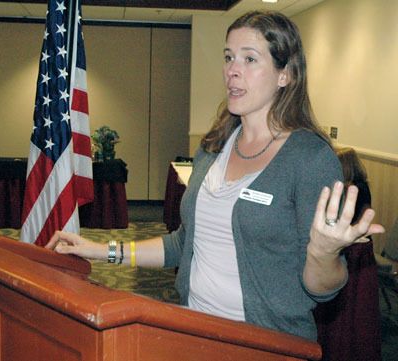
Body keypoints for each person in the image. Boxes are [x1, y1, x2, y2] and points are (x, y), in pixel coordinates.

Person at [46, 11, 384, 341]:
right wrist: (99, 250)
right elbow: (183, 243)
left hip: (264, 343)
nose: (232, 71)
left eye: (250, 59)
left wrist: (323, 254)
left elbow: (322, 290)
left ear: (286, 75)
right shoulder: (213, 148)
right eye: (228, 57)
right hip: (195, 329)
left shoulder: (309, 158)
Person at [314, 147, 382, 361]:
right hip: (361, 250)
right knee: (358, 311)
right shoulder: (363, 186)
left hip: (354, 251)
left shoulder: (353, 190)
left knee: (347, 310)